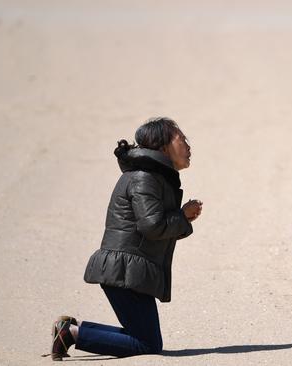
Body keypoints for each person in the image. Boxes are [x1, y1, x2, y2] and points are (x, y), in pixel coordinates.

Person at [50, 117, 203, 360]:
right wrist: (181, 216)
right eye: (181, 139)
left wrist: (182, 219)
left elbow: (154, 226)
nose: (188, 145)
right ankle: (71, 333)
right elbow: (151, 226)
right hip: (125, 270)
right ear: (162, 146)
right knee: (146, 343)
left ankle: (72, 330)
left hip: (132, 269)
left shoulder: (155, 176)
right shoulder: (145, 177)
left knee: (142, 338)